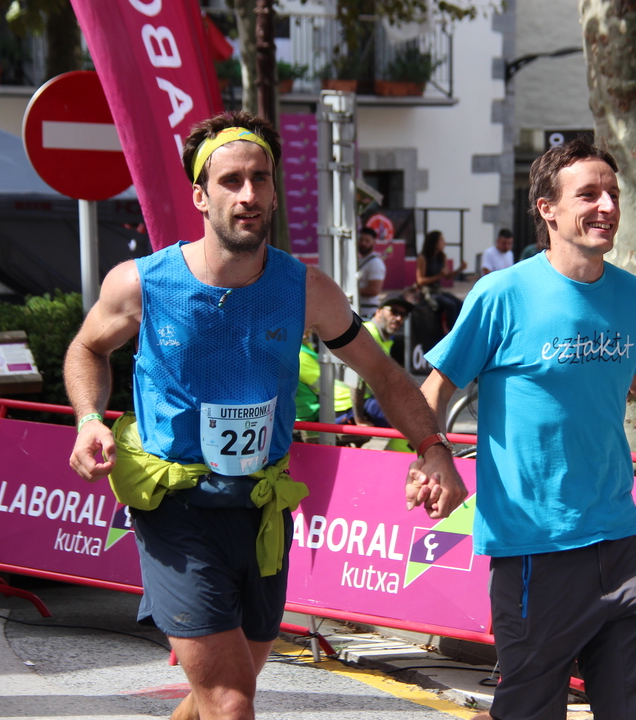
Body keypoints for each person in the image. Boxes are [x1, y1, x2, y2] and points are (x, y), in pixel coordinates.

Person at [64, 110, 464, 720]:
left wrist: (434, 448)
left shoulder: (306, 290)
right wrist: (89, 418)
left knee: (223, 692)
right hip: (175, 506)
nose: (248, 194)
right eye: (231, 181)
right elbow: (87, 348)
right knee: (230, 702)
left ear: (275, 191)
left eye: (261, 178)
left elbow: (383, 374)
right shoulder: (143, 284)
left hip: (261, 509)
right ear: (200, 196)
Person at [408, 138, 636, 720]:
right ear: (547, 209)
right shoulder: (502, 294)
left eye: (613, 193)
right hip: (535, 549)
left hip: (621, 541)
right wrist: (434, 458)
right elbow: (434, 391)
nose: (607, 205)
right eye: (588, 194)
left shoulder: (631, 296)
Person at [335, 297, 412, 429]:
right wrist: (359, 419)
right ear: (379, 312)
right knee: (412, 420)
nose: (399, 318)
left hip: (362, 402)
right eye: (394, 311)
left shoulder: (385, 339)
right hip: (347, 406)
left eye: (403, 315)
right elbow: (357, 380)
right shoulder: (368, 334)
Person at [415, 229, 465, 330]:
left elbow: (447, 276)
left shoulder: (442, 257)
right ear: (434, 243)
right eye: (441, 240)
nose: (444, 243)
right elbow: (420, 281)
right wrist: (438, 276)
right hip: (427, 292)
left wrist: (459, 269)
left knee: (459, 303)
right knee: (450, 305)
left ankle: (461, 329)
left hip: (438, 291)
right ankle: (451, 331)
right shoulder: (423, 258)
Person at [356, 226, 386, 319]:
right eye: (361, 240)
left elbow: (374, 290)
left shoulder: (375, 263)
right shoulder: (359, 260)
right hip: (357, 310)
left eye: (367, 241)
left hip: (366, 313)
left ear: (374, 242)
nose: (363, 243)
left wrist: (351, 291)